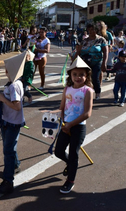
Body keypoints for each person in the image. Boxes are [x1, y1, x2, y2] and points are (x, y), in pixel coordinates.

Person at [54, 56, 93, 194]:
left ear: (86, 75)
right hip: (66, 125)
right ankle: (70, 164)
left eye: (81, 74)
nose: (78, 77)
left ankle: (70, 180)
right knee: (58, 151)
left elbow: (87, 113)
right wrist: (61, 121)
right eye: (75, 74)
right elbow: (62, 107)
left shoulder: (87, 91)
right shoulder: (67, 89)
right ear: (70, 74)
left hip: (78, 126)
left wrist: (70, 124)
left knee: (73, 153)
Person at [0, 52, 26, 194]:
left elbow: (17, 106)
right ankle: (15, 165)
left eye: (7, 68)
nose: (5, 71)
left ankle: (8, 182)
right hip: (8, 120)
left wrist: (2, 99)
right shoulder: (15, 83)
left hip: (12, 122)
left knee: (8, 151)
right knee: (10, 147)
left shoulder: (13, 86)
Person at [74, 22, 108, 100]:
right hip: (85, 62)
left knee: (95, 78)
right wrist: (74, 61)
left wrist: (104, 63)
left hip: (96, 62)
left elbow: (106, 52)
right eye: (89, 30)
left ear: (96, 30)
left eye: (92, 29)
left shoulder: (101, 40)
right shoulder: (84, 41)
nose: (91, 31)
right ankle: (86, 93)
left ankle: (97, 93)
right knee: (85, 79)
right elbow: (78, 52)